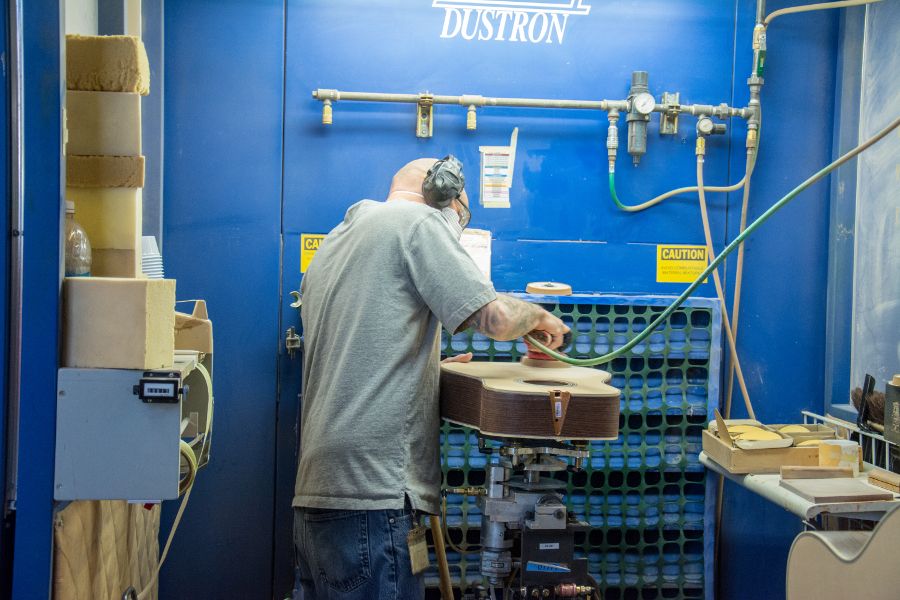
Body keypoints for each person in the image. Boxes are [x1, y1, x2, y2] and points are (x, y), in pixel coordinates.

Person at [293, 156, 569, 600]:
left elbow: (358, 353)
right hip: (375, 493)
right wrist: (543, 319)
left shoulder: (337, 241)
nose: (457, 223)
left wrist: (427, 370)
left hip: (318, 496)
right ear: (444, 194)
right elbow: (495, 318)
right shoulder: (418, 223)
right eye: (461, 213)